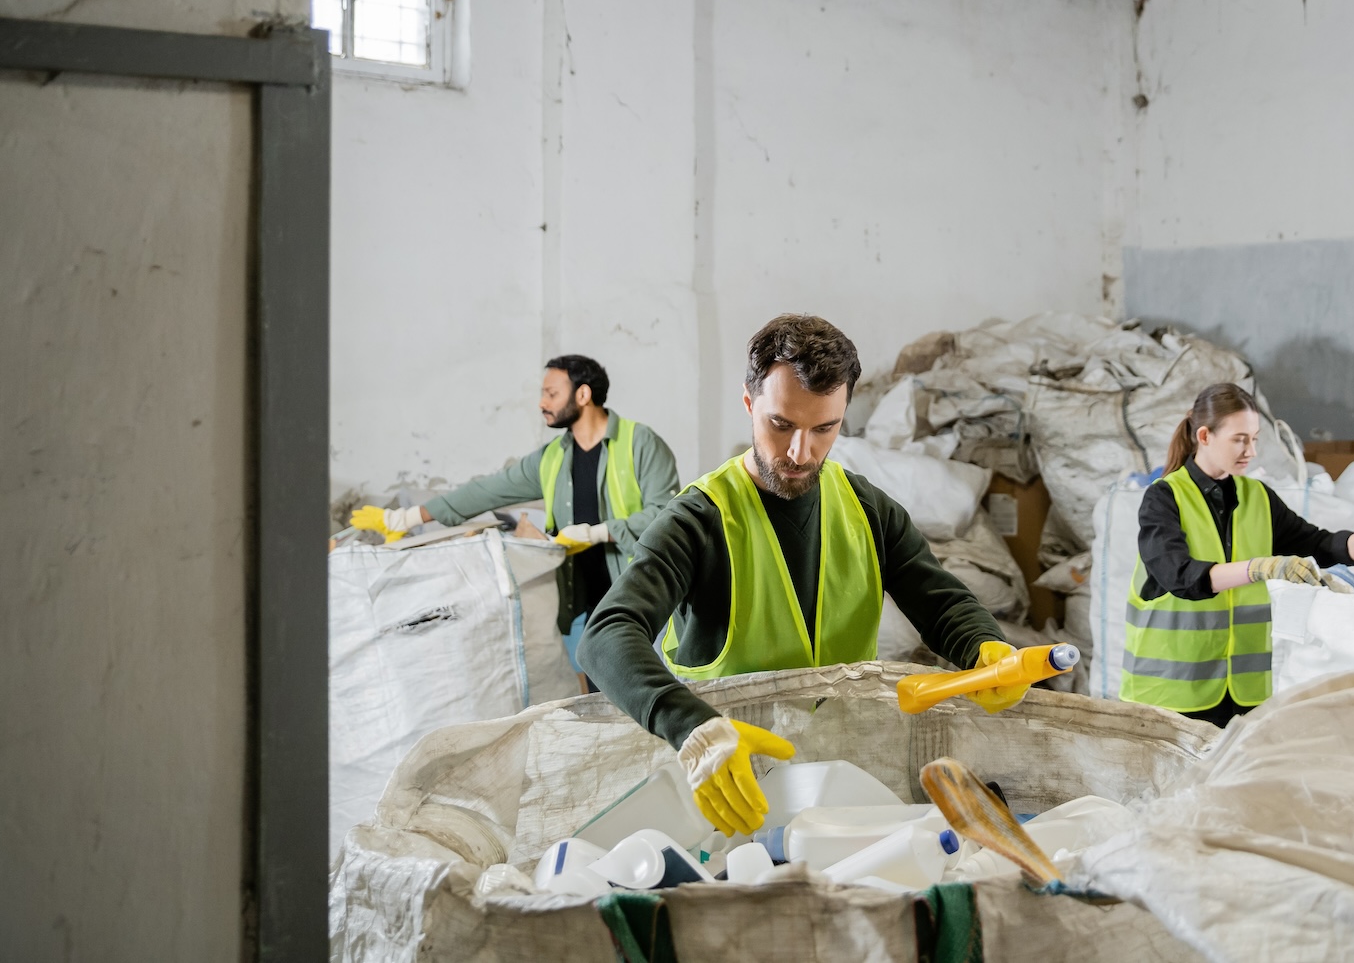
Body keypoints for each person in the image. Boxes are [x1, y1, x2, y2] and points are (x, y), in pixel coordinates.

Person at [579, 314, 1028, 838]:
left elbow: (942, 602)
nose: (800, 452)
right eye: (781, 424)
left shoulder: (866, 509)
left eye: (824, 429)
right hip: (729, 790)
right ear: (749, 405)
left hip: (841, 789)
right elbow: (607, 636)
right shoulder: (699, 520)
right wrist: (693, 728)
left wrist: (986, 649)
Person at [365, 355, 681, 686]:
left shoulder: (640, 443)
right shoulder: (552, 458)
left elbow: (666, 515)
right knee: (600, 692)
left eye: (551, 393)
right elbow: (486, 491)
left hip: (642, 596)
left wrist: (598, 532)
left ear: (583, 395)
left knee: (654, 688)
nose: (542, 403)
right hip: (586, 600)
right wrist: (408, 516)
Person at [1122, 381, 1354, 729]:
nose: (1250, 450)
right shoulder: (1164, 499)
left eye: (1254, 439)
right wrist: (1259, 568)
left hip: (1243, 695)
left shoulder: (1257, 497)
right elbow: (1180, 576)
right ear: (1204, 436)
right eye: (1240, 439)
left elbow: (1316, 543)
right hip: (1171, 697)